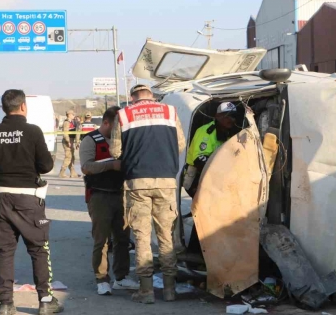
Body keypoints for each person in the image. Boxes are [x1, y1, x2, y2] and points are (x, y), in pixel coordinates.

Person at [0, 89, 62, 315]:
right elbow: (46, 166)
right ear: (23, 107)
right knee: (38, 249)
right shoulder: (33, 131)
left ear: (4, 108)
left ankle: (6, 304)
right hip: (28, 199)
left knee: (4, 251)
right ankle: (45, 301)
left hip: (1, 198)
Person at [111, 84, 186, 304]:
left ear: (133, 98)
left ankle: (146, 291)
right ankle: (170, 290)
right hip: (166, 181)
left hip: (137, 182)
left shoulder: (124, 114)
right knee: (166, 237)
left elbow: (116, 151)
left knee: (142, 237)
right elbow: (180, 143)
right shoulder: (170, 112)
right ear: (152, 97)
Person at [79, 106, 137, 295]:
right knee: (101, 240)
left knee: (122, 239)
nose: (119, 131)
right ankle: (101, 278)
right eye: (116, 127)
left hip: (121, 194)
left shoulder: (124, 141)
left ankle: (121, 277)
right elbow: (86, 167)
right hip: (99, 195)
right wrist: (111, 165)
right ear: (106, 123)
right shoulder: (91, 140)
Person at [183, 102, 238, 254]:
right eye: (227, 116)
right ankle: (195, 251)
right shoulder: (207, 131)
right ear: (217, 116)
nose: (231, 120)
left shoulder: (228, 132)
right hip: (196, 177)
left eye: (233, 116)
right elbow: (199, 159)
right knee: (205, 212)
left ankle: (206, 250)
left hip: (213, 178)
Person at [59, 110, 80, 178]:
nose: (74, 115)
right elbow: (65, 133)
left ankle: (73, 173)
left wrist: (77, 143)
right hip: (67, 142)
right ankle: (62, 173)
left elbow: (77, 132)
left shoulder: (72, 122)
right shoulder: (66, 122)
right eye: (73, 114)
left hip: (71, 141)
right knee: (68, 157)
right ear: (69, 115)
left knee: (72, 157)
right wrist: (68, 141)